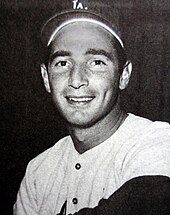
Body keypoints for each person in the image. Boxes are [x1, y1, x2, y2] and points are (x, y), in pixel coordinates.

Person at [14, 0, 170, 214]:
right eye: (62, 63)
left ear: (123, 75)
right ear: (46, 78)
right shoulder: (38, 171)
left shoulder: (157, 141)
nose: (76, 80)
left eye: (96, 62)